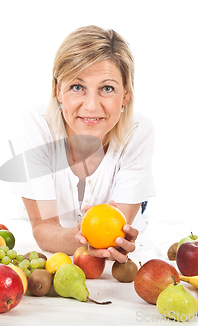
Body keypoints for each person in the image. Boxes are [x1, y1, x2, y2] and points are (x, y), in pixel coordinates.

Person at [8, 25, 155, 264]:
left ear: (125, 94)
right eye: (77, 87)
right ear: (58, 90)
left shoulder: (138, 131)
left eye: (107, 88)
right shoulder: (36, 125)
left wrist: (104, 239)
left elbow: (117, 232)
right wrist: (86, 239)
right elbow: (44, 229)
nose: (91, 106)